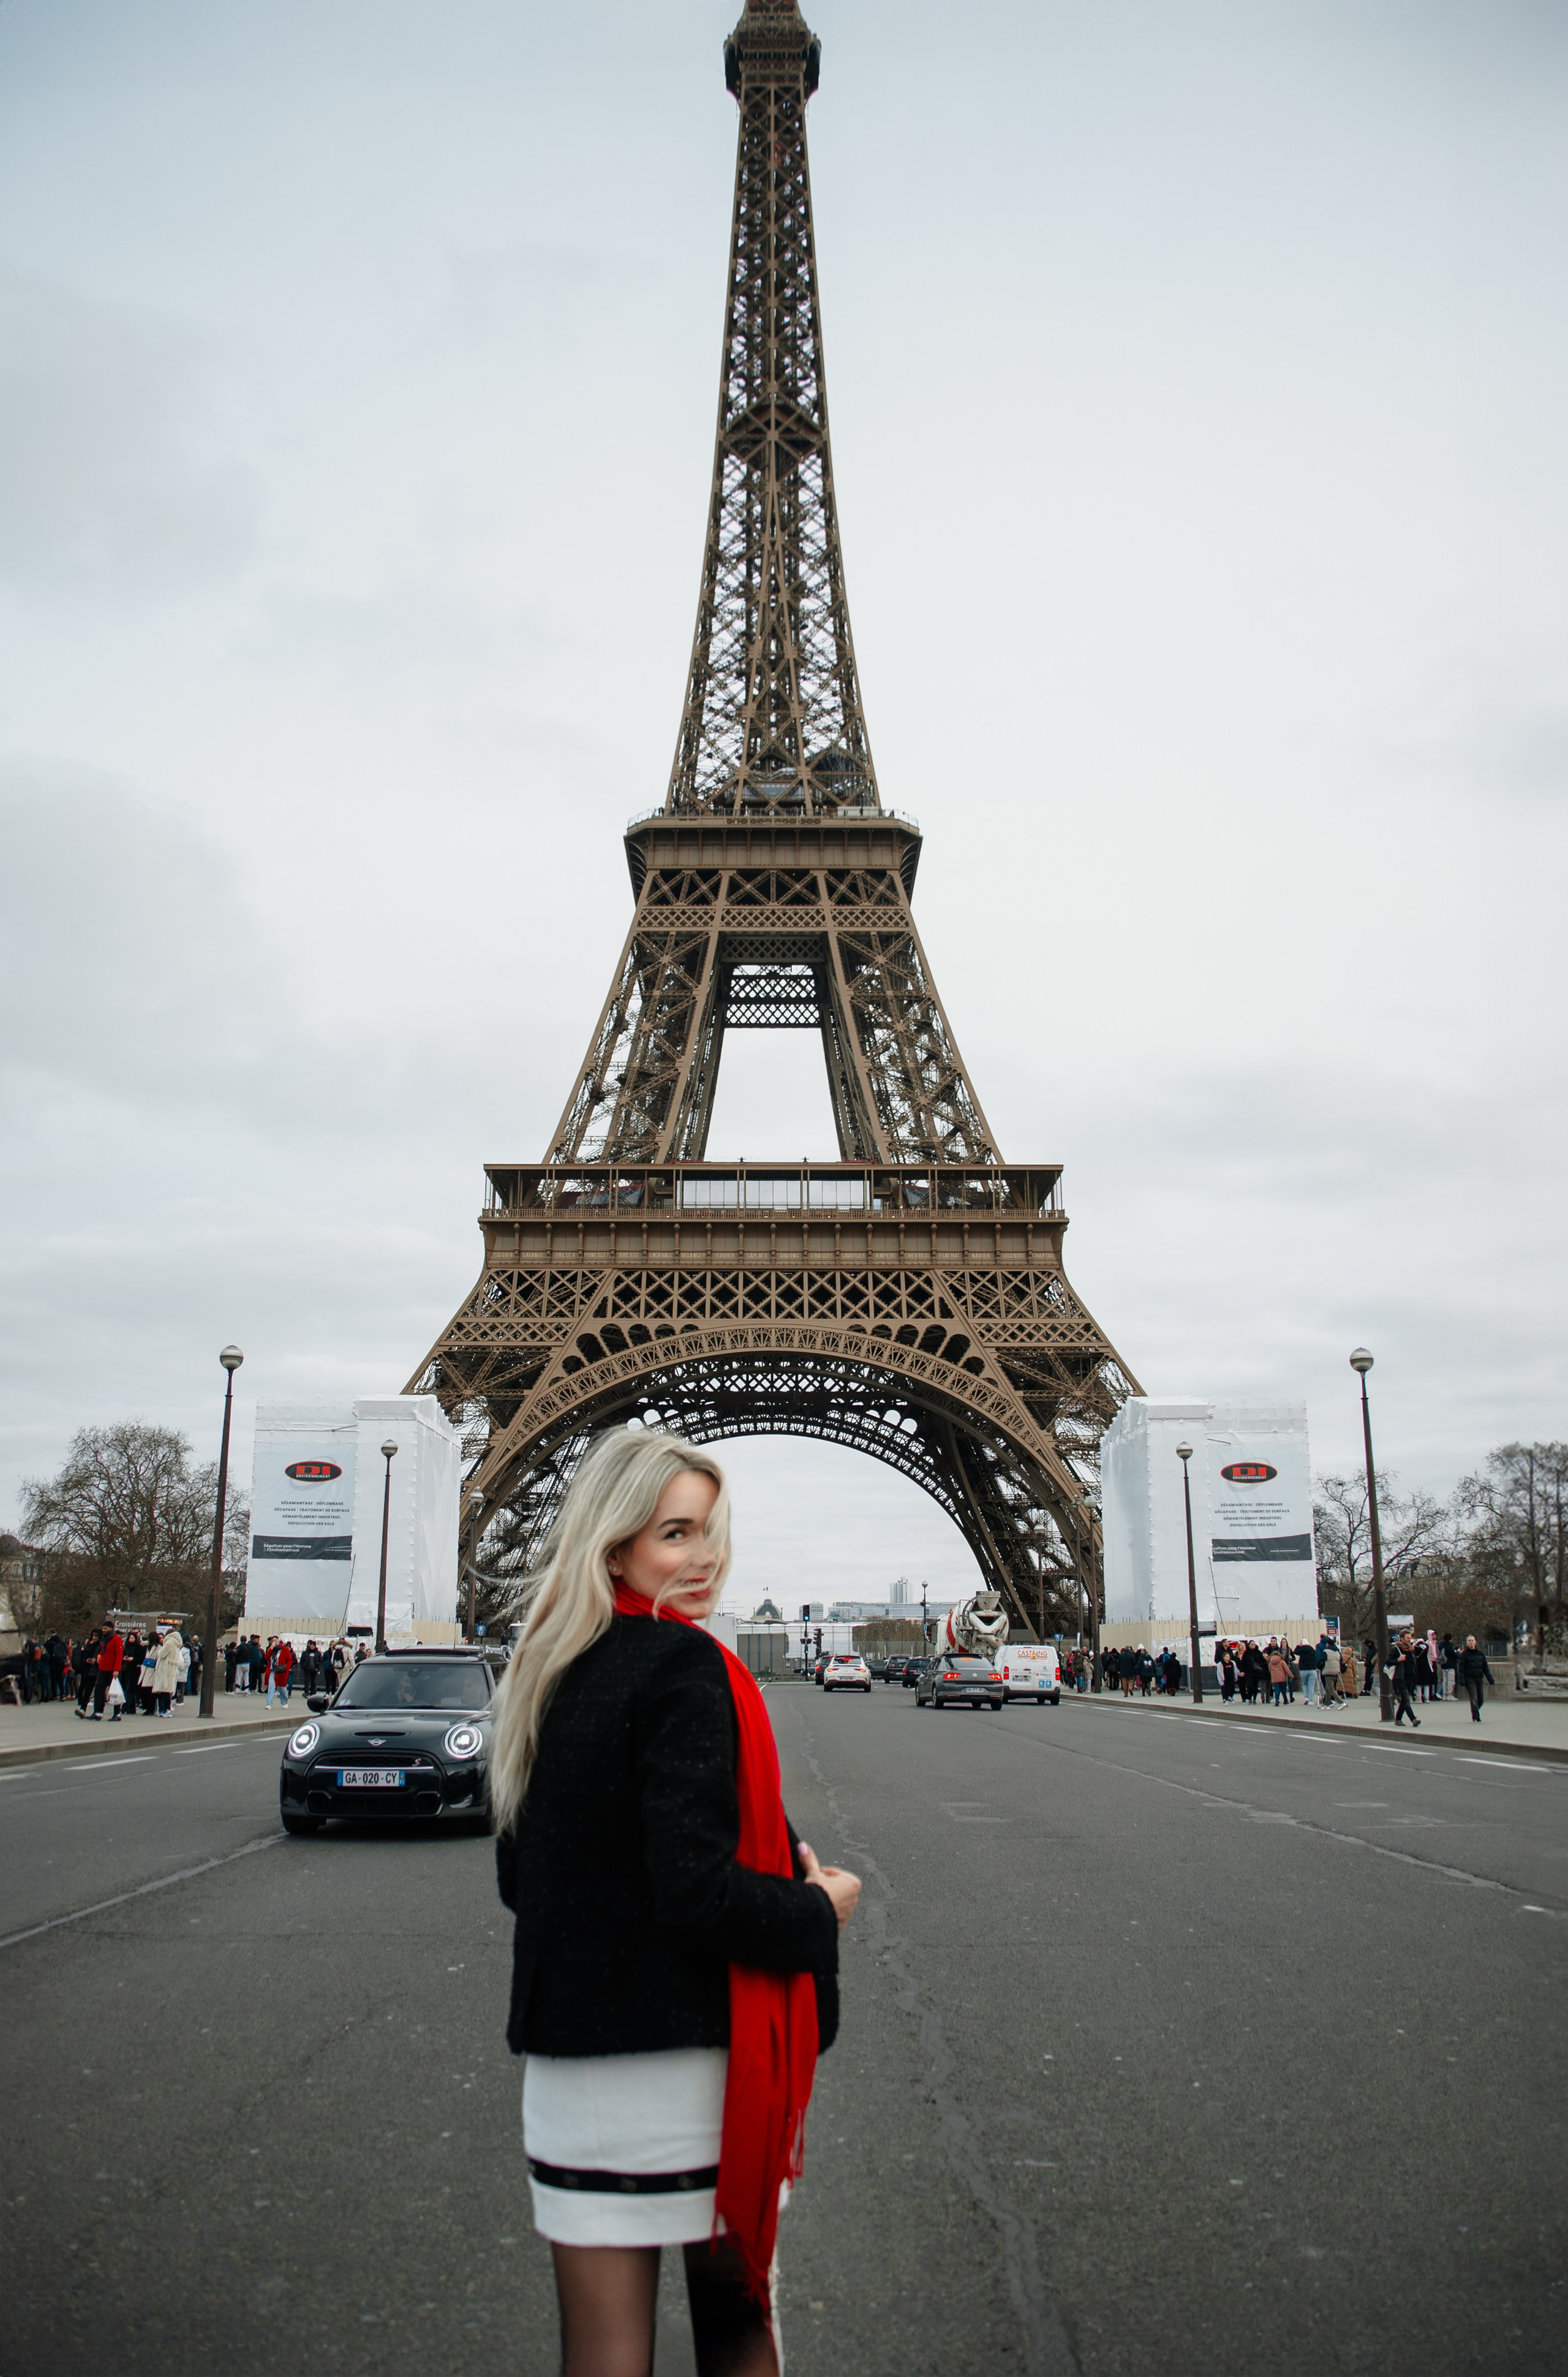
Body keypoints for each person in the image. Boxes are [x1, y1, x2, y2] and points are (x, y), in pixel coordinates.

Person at [491, 1428, 858, 2377]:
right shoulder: (686, 1667)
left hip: (574, 2079)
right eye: (677, 1535)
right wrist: (818, 1908)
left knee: (603, 2359)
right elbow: (695, 1894)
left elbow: (519, 1880)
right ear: (616, 1545)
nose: (705, 1560)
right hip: (695, 2077)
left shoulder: (546, 1667)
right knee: (738, 2337)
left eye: (712, 1533)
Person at [1456, 1635, 1495, 1724]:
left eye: (1472, 1640)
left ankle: (1474, 1713)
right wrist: (1461, 1680)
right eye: (1469, 1641)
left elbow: (1485, 1668)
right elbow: (1461, 1669)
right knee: (1474, 1698)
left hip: (1479, 1678)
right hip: (1469, 1679)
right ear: (1467, 1643)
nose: (1471, 1642)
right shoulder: (1464, 1655)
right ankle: (1477, 1717)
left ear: (1475, 1642)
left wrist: (1490, 1679)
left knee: (1481, 1699)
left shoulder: (1481, 1654)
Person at [1387, 1632, 1421, 1728]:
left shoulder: (1411, 1649)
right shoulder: (1396, 1649)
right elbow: (1388, 1662)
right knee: (1406, 1699)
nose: (1409, 1640)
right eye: (1407, 1638)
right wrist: (1398, 1660)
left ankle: (1398, 1719)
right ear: (1401, 1639)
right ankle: (1413, 1719)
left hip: (1411, 1677)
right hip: (1400, 1678)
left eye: (1410, 1638)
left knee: (1404, 1700)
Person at [153, 1626, 183, 1716]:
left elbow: (162, 1654)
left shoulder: (169, 1643)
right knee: (166, 1691)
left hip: (166, 1669)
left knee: (164, 1691)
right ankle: (165, 1709)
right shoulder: (176, 1644)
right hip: (172, 1668)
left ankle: (165, 1709)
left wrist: (160, 1651)